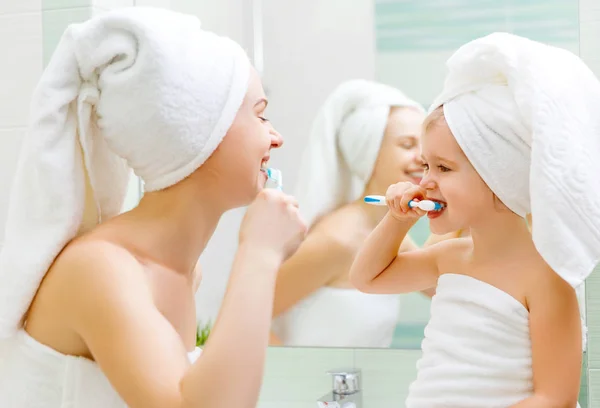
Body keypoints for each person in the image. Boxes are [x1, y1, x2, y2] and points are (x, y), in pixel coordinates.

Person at [0, 7, 306, 408]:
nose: (276, 137)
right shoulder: (99, 270)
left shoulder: (183, 271)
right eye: (260, 116)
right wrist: (260, 253)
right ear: (199, 134)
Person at [350, 32, 600, 407]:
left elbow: (554, 399)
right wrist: (397, 220)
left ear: (499, 174)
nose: (425, 181)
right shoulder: (450, 258)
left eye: (444, 167)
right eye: (425, 165)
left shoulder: (549, 279)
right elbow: (367, 279)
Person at [270, 80, 461, 348]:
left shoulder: (388, 231)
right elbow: (249, 319)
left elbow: (444, 289)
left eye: (424, 147)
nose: (421, 157)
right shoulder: (337, 240)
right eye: (407, 145)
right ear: (367, 153)